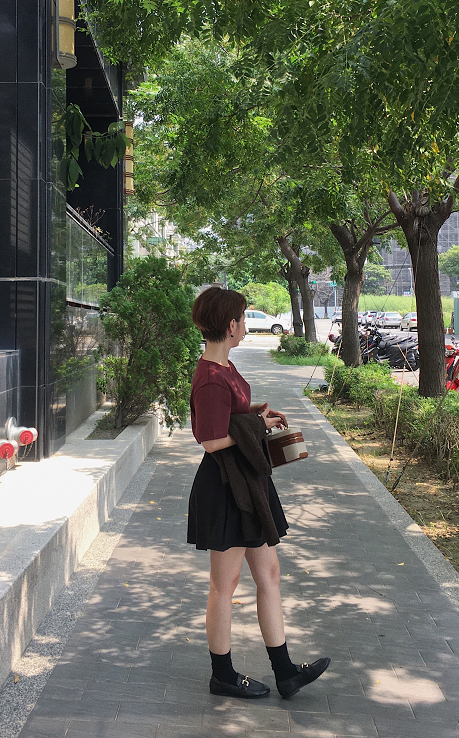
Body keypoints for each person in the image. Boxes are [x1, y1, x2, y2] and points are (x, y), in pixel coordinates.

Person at [188, 285, 330, 699]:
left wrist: (254, 412)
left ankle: (285, 673)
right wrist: (256, 426)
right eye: (244, 319)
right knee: (225, 585)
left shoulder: (225, 368)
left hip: (248, 483)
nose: (247, 326)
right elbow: (211, 440)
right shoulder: (210, 377)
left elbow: (229, 416)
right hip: (226, 487)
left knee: (268, 574)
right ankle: (222, 676)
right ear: (231, 325)